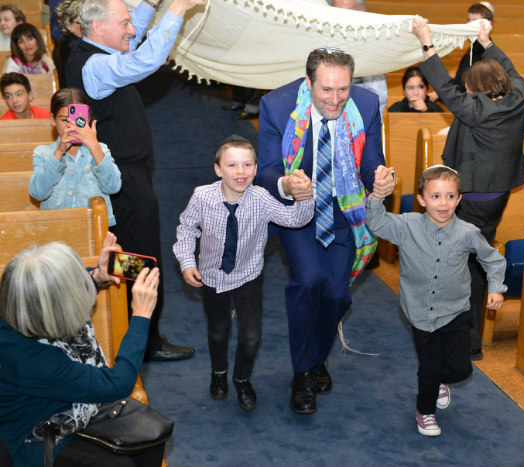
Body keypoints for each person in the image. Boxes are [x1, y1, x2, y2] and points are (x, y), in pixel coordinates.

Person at [65, 0, 206, 361]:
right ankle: (143, 341)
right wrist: (176, 9)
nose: (132, 29)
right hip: (122, 181)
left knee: (128, 257)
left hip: (125, 174)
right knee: (141, 259)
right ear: (98, 28)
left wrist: (147, 5)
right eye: (124, 23)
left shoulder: (93, 49)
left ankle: (131, 332)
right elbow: (146, 60)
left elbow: (132, 36)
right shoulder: (95, 64)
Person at [257, 46, 388, 414]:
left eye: (342, 89)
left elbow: (371, 161)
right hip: (298, 211)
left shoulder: (364, 103)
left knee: (337, 295)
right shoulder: (277, 105)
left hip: (344, 210)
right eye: (326, 90)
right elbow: (265, 170)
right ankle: (303, 374)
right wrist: (286, 183)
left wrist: (379, 180)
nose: (335, 99)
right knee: (309, 281)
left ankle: (317, 357)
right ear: (308, 82)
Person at [412, 16, 524, 360]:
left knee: (461, 262)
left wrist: (426, 42)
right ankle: (469, 338)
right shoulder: (519, 96)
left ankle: (462, 338)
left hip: (474, 196)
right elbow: (514, 72)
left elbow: (446, 90)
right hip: (499, 192)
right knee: (476, 259)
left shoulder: (477, 108)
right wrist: (488, 43)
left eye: (468, 88)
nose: (463, 92)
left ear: (475, 91)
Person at [0, 233, 165, 467]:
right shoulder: (31, 360)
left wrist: (98, 276)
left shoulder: (19, 305)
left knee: (150, 442)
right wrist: (140, 316)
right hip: (39, 430)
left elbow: (53, 293)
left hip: (69, 400)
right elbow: (118, 384)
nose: (81, 289)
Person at [174, 135, 314, 409]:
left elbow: (294, 219)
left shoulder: (261, 198)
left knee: (251, 337)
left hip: (248, 277)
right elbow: (186, 228)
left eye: (248, 165)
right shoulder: (202, 197)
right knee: (218, 331)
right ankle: (218, 374)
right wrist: (187, 261)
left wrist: (304, 197)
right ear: (218, 169)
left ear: (255, 168)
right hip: (211, 277)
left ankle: (241, 379)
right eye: (232, 165)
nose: (241, 172)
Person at [365, 164, 506, 436]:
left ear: (459, 199)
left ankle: (444, 380)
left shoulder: (467, 232)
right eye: (435, 196)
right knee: (428, 370)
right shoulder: (407, 226)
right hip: (420, 313)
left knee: (460, 370)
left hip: (455, 311)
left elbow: (492, 259)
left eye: (450, 196)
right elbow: (377, 222)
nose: (443, 203)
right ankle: (425, 412)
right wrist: (378, 196)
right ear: (421, 200)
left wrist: (496, 287)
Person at [29, 88, 121, 226]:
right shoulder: (43, 153)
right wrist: (59, 153)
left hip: (94, 229)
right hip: (56, 230)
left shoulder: (100, 149)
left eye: (78, 120)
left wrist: (94, 146)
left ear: (87, 119)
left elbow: (113, 187)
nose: (70, 126)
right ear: (52, 119)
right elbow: (38, 193)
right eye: (64, 120)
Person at [332, 0, 389, 119]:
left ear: (361, 11)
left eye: (345, 14)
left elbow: (378, 96)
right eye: (334, 13)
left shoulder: (370, 43)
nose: (339, 20)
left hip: (357, 119)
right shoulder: (323, 35)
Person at [427, 1, 495, 101]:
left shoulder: (486, 50)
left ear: (488, 23)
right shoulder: (474, 46)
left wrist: (442, 93)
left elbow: (469, 82)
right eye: (468, 20)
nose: (469, 24)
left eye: (474, 21)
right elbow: (462, 77)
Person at [54, 0, 83, 88]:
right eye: (80, 22)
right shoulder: (74, 47)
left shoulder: (65, 43)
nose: (86, 26)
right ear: (68, 25)